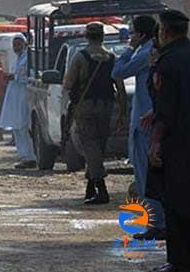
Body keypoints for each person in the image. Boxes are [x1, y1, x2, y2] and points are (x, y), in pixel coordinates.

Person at [146, 10, 190, 272]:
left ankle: (179, 262)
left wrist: (155, 144)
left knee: (175, 202)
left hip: (177, 142)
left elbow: (165, 111)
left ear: (165, 32)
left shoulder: (167, 63)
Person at [111, 16, 165, 240]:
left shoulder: (144, 53)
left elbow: (118, 72)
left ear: (141, 35)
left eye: (132, 33)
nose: (130, 36)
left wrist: (127, 50)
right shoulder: (150, 51)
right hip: (145, 119)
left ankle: (157, 224)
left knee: (146, 175)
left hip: (146, 122)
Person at [63, 22, 127, 204]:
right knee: (98, 146)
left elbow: (68, 84)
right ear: (102, 36)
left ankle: (102, 188)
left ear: (86, 36)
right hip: (106, 106)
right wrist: (122, 113)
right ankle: (90, 188)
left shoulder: (80, 57)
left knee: (90, 145)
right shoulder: (112, 57)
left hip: (85, 107)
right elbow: (120, 88)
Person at [0, 33, 36, 169]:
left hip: (24, 96)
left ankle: (29, 156)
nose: (16, 47)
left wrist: (12, 76)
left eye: (19, 44)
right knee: (18, 127)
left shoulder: (28, 58)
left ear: (25, 44)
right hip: (16, 96)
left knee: (23, 126)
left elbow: (27, 76)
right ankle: (24, 156)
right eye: (14, 45)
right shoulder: (19, 58)